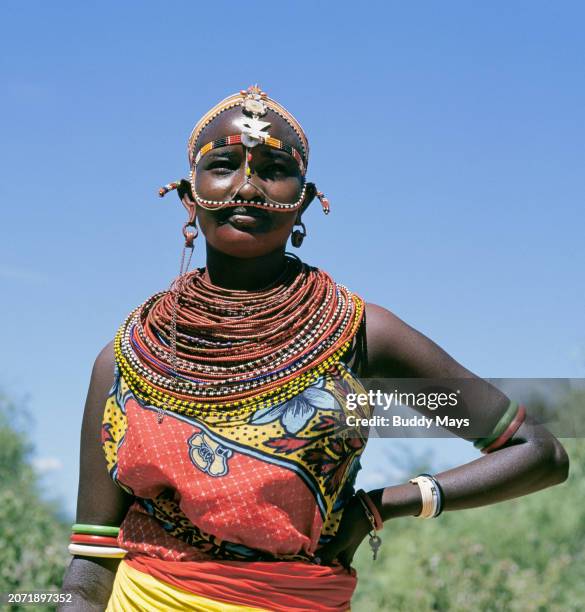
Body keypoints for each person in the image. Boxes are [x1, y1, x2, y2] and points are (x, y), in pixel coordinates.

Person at [60, 85, 569, 611]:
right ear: (189, 198)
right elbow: (91, 559)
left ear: (303, 201)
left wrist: (383, 506)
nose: (248, 187)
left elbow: (537, 453)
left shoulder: (361, 334)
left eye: (275, 169)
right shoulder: (129, 356)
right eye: (224, 165)